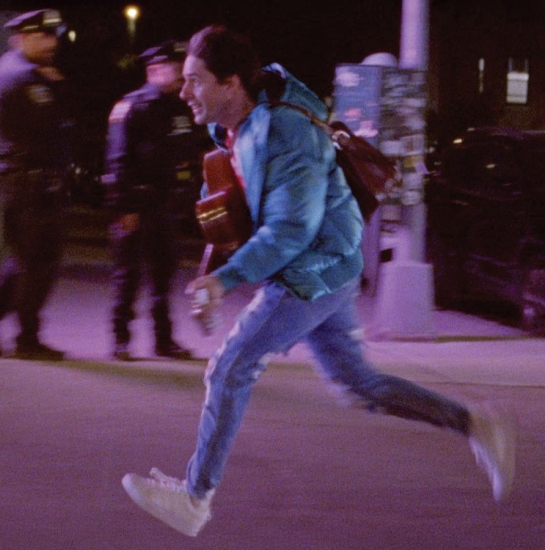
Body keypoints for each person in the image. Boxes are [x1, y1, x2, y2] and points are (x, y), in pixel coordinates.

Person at [121, 25, 517, 537]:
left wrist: (226, 279)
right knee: (359, 385)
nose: (183, 91)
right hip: (326, 267)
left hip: (310, 271)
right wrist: (209, 277)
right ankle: (476, 424)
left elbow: (291, 229)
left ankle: (194, 499)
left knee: (229, 368)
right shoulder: (231, 129)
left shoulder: (287, 132)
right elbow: (225, 206)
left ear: (231, 83)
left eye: (195, 79)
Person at [104, 40, 205, 361]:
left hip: (165, 204)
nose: (182, 75)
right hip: (137, 204)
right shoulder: (132, 106)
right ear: (154, 70)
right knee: (128, 276)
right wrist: (125, 208)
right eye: (176, 69)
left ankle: (164, 340)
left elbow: (187, 153)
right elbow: (118, 161)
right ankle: (121, 339)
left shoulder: (179, 107)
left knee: (164, 275)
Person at [0, 9, 70, 360]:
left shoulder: (27, 73)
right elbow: (50, 122)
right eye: (43, 37)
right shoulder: (20, 76)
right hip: (25, 179)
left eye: (53, 36)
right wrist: (55, 85)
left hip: (34, 179)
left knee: (29, 261)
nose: (51, 43)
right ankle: (27, 338)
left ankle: (26, 334)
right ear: (20, 39)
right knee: (33, 261)